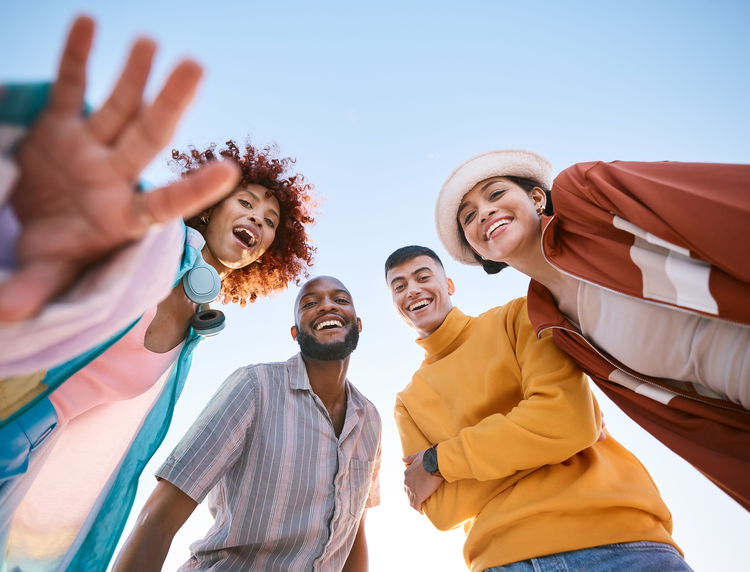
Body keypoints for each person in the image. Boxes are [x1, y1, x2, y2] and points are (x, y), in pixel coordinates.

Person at [2, 137, 317, 571]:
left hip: (29, 451)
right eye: (244, 203)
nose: (256, 220)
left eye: (269, 221)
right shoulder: (157, 239)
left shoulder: (196, 327)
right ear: (210, 206)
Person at [434, 148, 750, 510]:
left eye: (495, 194)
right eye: (469, 216)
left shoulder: (586, 195)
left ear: (537, 197)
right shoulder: (553, 328)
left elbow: (715, 201)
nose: (484, 213)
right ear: (480, 253)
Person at [386, 245, 692, 572]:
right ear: (395, 304)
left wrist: (439, 461)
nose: (413, 290)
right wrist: (540, 439)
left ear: (449, 285)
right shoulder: (407, 402)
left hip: (619, 538)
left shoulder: (518, 316)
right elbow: (442, 510)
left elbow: (567, 421)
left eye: (422, 277)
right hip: (503, 560)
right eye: (399, 286)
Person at [112, 276, 381, 572]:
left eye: (340, 300)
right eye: (310, 303)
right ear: (295, 333)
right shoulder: (254, 388)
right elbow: (156, 520)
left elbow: (354, 535)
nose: (327, 306)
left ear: (358, 325)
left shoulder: (370, 420)